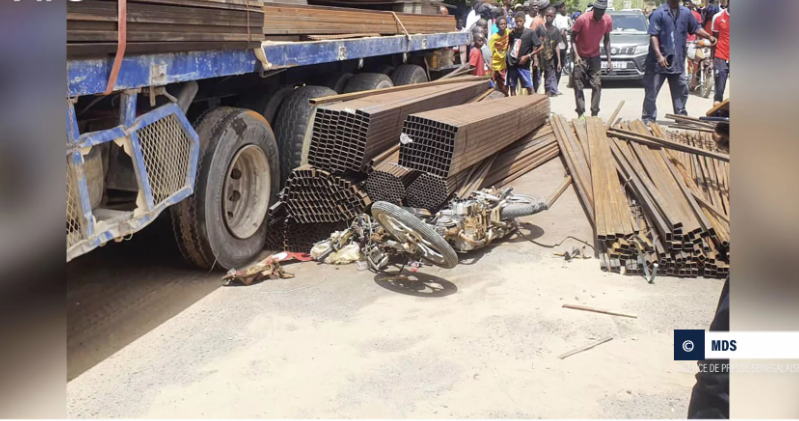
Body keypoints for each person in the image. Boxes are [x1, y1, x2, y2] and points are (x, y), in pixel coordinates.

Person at [641, 0, 717, 124]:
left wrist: (708, 36)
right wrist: (659, 56)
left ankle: (680, 116)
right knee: (651, 91)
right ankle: (648, 118)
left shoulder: (686, 13)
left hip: (677, 60)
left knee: (681, 90)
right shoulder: (659, 13)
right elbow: (653, 36)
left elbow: (696, 27)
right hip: (658, 62)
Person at [570, 0, 612, 119]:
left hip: (595, 56)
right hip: (581, 55)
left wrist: (609, 61)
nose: (599, 15)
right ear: (594, 9)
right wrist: (577, 56)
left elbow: (607, 40)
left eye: (602, 12)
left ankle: (594, 113)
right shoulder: (582, 19)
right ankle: (580, 112)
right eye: (598, 12)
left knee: (597, 84)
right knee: (578, 84)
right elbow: (573, 38)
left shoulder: (607, 20)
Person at [507, 11, 543, 96]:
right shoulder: (512, 33)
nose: (518, 23)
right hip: (512, 64)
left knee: (529, 88)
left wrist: (529, 56)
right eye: (517, 22)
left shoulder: (530, 33)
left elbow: (541, 47)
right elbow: (511, 46)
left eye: (520, 21)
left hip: (523, 65)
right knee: (512, 88)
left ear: (524, 21)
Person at [536, 7, 562, 97]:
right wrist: (534, 58)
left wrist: (559, 61)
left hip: (550, 59)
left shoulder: (556, 31)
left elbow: (557, 46)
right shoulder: (540, 29)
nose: (549, 18)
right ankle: (534, 96)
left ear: (554, 17)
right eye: (547, 16)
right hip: (539, 58)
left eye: (551, 16)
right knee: (536, 78)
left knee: (548, 79)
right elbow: (534, 44)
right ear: (545, 16)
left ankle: (546, 96)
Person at [711, 0, 730, 105]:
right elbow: (714, 39)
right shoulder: (718, 17)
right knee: (719, 90)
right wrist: (711, 59)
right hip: (721, 56)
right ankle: (716, 114)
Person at [553, 1, 572, 91]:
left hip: (551, 46)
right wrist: (566, 44)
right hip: (560, 46)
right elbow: (563, 32)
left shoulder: (551, 17)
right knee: (559, 67)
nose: (565, 9)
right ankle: (555, 87)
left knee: (552, 67)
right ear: (559, 9)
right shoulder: (563, 19)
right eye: (564, 8)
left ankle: (551, 87)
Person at [489, 16, 510, 95]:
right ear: (497, 26)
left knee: (504, 86)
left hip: (503, 65)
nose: (503, 26)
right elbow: (490, 53)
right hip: (494, 65)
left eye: (504, 24)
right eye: (501, 24)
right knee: (492, 86)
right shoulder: (493, 38)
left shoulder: (508, 32)